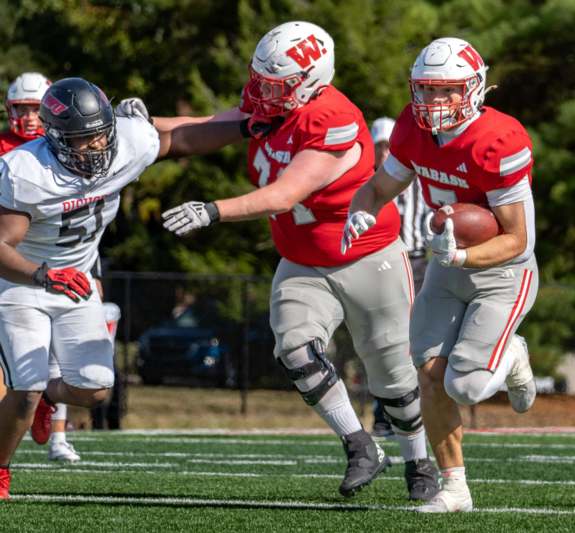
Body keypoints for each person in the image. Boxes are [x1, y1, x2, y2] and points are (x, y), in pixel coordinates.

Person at [159, 21, 438, 501]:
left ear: (312, 79)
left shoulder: (334, 119)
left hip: (366, 255)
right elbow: (198, 131)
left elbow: (283, 194)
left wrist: (212, 210)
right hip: (303, 259)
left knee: (390, 373)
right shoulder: (274, 105)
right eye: (262, 80)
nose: (263, 93)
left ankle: (419, 461)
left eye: (277, 84)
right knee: (295, 350)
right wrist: (130, 129)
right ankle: (359, 445)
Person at [0, 76, 245, 499]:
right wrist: (43, 274)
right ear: (55, 137)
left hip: (75, 283)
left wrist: (246, 127)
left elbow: (184, 139)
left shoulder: (128, 142)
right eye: (83, 140)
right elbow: (2, 244)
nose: (96, 148)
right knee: (25, 388)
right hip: (23, 282)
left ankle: (44, 401)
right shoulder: (26, 171)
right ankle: (1, 467)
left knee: (94, 389)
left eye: (101, 136)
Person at [343, 37, 539, 512]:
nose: (433, 102)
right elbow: (379, 187)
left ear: (474, 89)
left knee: (465, 385)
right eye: (426, 90)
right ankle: (455, 488)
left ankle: (512, 354)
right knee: (429, 374)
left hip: (502, 272)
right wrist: (361, 211)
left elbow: (518, 240)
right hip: (446, 264)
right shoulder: (411, 128)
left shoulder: (501, 140)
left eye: (446, 91)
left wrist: (460, 259)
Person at [0, 71, 83, 462]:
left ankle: (59, 435)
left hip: (62, 256)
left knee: (59, 355)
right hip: (12, 257)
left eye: (36, 108)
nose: (29, 117)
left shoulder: (68, 144)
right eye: (22, 109)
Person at [369, 117, 432, 438]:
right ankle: (383, 414)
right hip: (380, 265)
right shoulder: (369, 184)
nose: (384, 153)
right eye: (379, 147)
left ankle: (412, 412)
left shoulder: (420, 181)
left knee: (413, 341)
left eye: (388, 146)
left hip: (417, 264)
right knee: (382, 340)